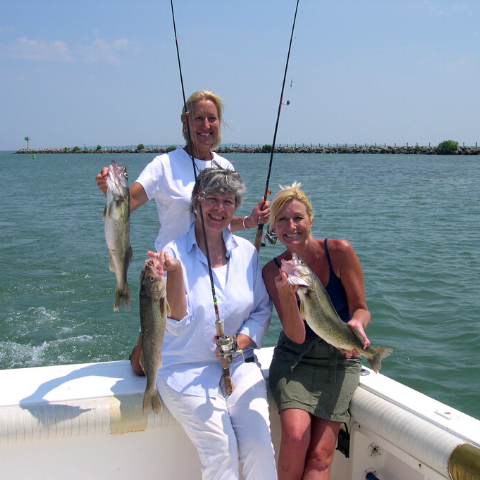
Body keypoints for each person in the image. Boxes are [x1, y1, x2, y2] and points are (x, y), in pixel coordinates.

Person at [131, 167, 277, 480]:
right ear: (197, 201)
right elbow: (176, 321)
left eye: (228, 201)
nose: (219, 208)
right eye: (211, 198)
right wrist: (175, 274)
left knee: (259, 446)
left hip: (239, 366)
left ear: (236, 207)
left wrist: (238, 344)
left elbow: (262, 310)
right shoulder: (171, 254)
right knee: (220, 450)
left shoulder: (248, 254)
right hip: (184, 370)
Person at [262, 182, 371, 480]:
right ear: (273, 226)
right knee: (296, 437)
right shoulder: (272, 271)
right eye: (282, 219)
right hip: (294, 358)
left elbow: (361, 307)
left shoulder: (339, 251)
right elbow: (296, 335)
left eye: (298, 217)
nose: (291, 226)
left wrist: (357, 324)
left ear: (311, 220)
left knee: (322, 454)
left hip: (340, 355)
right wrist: (287, 296)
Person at [95, 90, 269, 251]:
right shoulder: (164, 165)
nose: (206, 125)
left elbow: (218, 223)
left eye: (212, 118)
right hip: (170, 269)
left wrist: (249, 221)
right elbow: (128, 203)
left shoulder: (225, 168)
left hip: (211, 270)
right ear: (185, 122)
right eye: (198, 118)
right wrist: (110, 188)